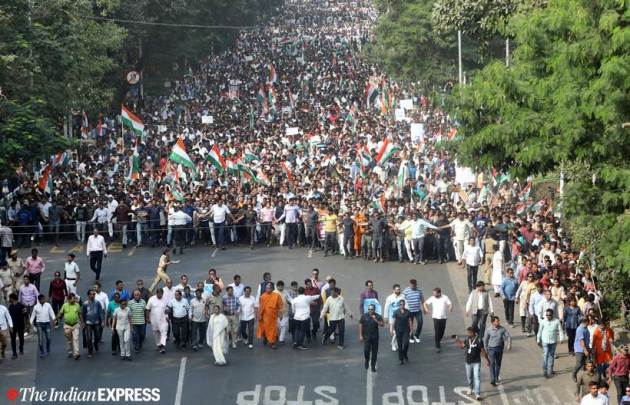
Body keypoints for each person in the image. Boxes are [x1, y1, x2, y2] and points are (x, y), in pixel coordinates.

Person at [454, 327, 490, 401]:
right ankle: (470, 387)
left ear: (473, 333)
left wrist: (487, 360)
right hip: (468, 362)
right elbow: (462, 346)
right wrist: (457, 340)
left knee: (477, 378)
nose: (467, 334)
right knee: (469, 377)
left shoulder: (479, 341)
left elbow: (483, 352)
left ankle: (477, 394)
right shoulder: (467, 340)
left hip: (476, 362)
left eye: (469, 333)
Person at [483, 316, 511, 386]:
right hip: (491, 349)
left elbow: (508, 336)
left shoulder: (502, 329)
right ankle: (493, 379)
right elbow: (485, 340)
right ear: (493, 322)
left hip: (499, 349)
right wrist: (486, 349)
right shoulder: (488, 330)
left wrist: (509, 344)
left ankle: (496, 378)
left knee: (498, 364)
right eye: (497, 321)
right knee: (492, 363)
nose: (498, 322)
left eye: (498, 321)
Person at [423, 287, 453, 353]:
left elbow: (450, 304)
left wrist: (450, 308)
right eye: (433, 294)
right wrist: (426, 309)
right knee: (437, 331)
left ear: (439, 293)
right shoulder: (432, 298)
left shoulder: (445, 297)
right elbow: (425, 303)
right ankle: (437, 346)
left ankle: (438, 341)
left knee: (442, 331)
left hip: (443, 317)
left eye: (435, 294)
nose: (434, 295)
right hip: (435, 317)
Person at [57, 293, 82, 360]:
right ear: (68, 299)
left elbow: (80, 314)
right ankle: (70, 351)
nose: (74, 300)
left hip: (75, 324)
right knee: (69, 340)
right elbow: (60, 313)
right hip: (67, 325)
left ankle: (76, 353)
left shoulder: (77, 305)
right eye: (73, 298)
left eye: (74, 298)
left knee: (75, 339)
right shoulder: (65, 305)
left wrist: (82, 323)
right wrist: (56, 319)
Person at [359, 303, 384, 372]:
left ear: (374, 310)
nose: (370, 310)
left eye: (372, 309)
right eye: (369, 309)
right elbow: (361, 324)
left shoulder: (378, 316)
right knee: (366, 351)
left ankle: (373, 366)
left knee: (374, 352)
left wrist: (375, 320)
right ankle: (366, 360)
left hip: (375, 337)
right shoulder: (364, 316)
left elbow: (382, 324)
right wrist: (360, 335)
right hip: (366, 337)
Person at [537, 308, 561, 378]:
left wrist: (561, 338)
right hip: (545, 341)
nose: (548, 316)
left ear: (552, 315)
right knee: (545, 356)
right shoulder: (543, 321)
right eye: (546, 315)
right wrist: (538, 340)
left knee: (551, 356)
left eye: (549, 315)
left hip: (553, 341)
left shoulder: (556, 321)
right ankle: (545, 371)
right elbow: (540, 331)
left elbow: (560, 330)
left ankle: (550, 369)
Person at [81, 289, 104, 358]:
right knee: (89, 337)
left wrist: (102, 321)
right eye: (91, 294)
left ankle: (95, 343)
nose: (92, 295)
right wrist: (83, 323)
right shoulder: (85, 304)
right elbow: (83, 314)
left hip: (96, 322)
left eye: (93, 294)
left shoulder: (97, 303)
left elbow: (100, 312)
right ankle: (90, 351)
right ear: (88, 295)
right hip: (88, 323)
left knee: (98, 336)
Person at [146, 287, 169, 354]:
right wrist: (147, 318)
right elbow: (147, 309)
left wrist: (167, 316)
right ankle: (158, 344)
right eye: (158, 293)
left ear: (162, 293)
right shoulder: (151, 299)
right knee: (156, 332)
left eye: (161, 293)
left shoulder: (165, 299)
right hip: (154, 319)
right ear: (156, 293)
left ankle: (163, 346)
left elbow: (167, 309)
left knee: (163, 332)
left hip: (163, 319)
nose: (160, 295)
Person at [384, 284, 405, 351]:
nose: (398, 290)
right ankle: (393, 343)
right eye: (397, 289)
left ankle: (394, 343)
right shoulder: (389, 298)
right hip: (392, 317)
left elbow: (406, 305)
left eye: (399, 289)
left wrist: (408, 314)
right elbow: (386, 308)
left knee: (398, 331)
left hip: (401, 317)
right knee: (393, 332)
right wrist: (385, 317)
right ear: (393, 290)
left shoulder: (403, 296)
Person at [402, 279, 424, 343]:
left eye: (414, 286)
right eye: (412, 285)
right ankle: (411, 336)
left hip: (418, 310)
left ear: (416, 285)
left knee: (420, 322)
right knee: (410, 325)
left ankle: (416, 335)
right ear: (409, 284)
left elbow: (422, 298)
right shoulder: (406, 290)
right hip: (409, 311)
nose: (413, 287)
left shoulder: (419, 290)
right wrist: (403, 308)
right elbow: (402, 299)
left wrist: (424, 308)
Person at [392, 299, 412, 364]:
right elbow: (393, 321)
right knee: (400, 345)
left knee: (406, 344)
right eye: (400, 304)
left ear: (404, 305)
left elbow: (410, 321)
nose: (402, 305)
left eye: (403, 304)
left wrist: (411, 330)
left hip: (406, 330)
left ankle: (405, 354)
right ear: (399, 305)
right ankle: (401, 359)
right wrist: (392, 329)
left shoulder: (408, 312)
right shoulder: (396, 312)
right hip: (398, 330)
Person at [573, 318, 592, 382]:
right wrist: (585, 350)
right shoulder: (580, 329)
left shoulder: (585, 328)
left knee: (588, 363)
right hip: (579, 350)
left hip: (586, 348)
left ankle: (586, 378)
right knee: (579, 364)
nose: (590, 323)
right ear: (586, 322)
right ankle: (574, 374)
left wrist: (588, 348)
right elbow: (581, 341)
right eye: (588, 322)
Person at [8, 293, 25, 359]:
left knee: (21, 338)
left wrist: (27, 324)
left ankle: (21, 348)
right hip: (12, 326)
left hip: (20, 325)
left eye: (10, 298)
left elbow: (26, 315)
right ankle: (14, 353)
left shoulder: (21, 306)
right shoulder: (10, 306)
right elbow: (9, 316)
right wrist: (10, 326)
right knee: (13, 339)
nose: (9, 299)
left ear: (12, 298)